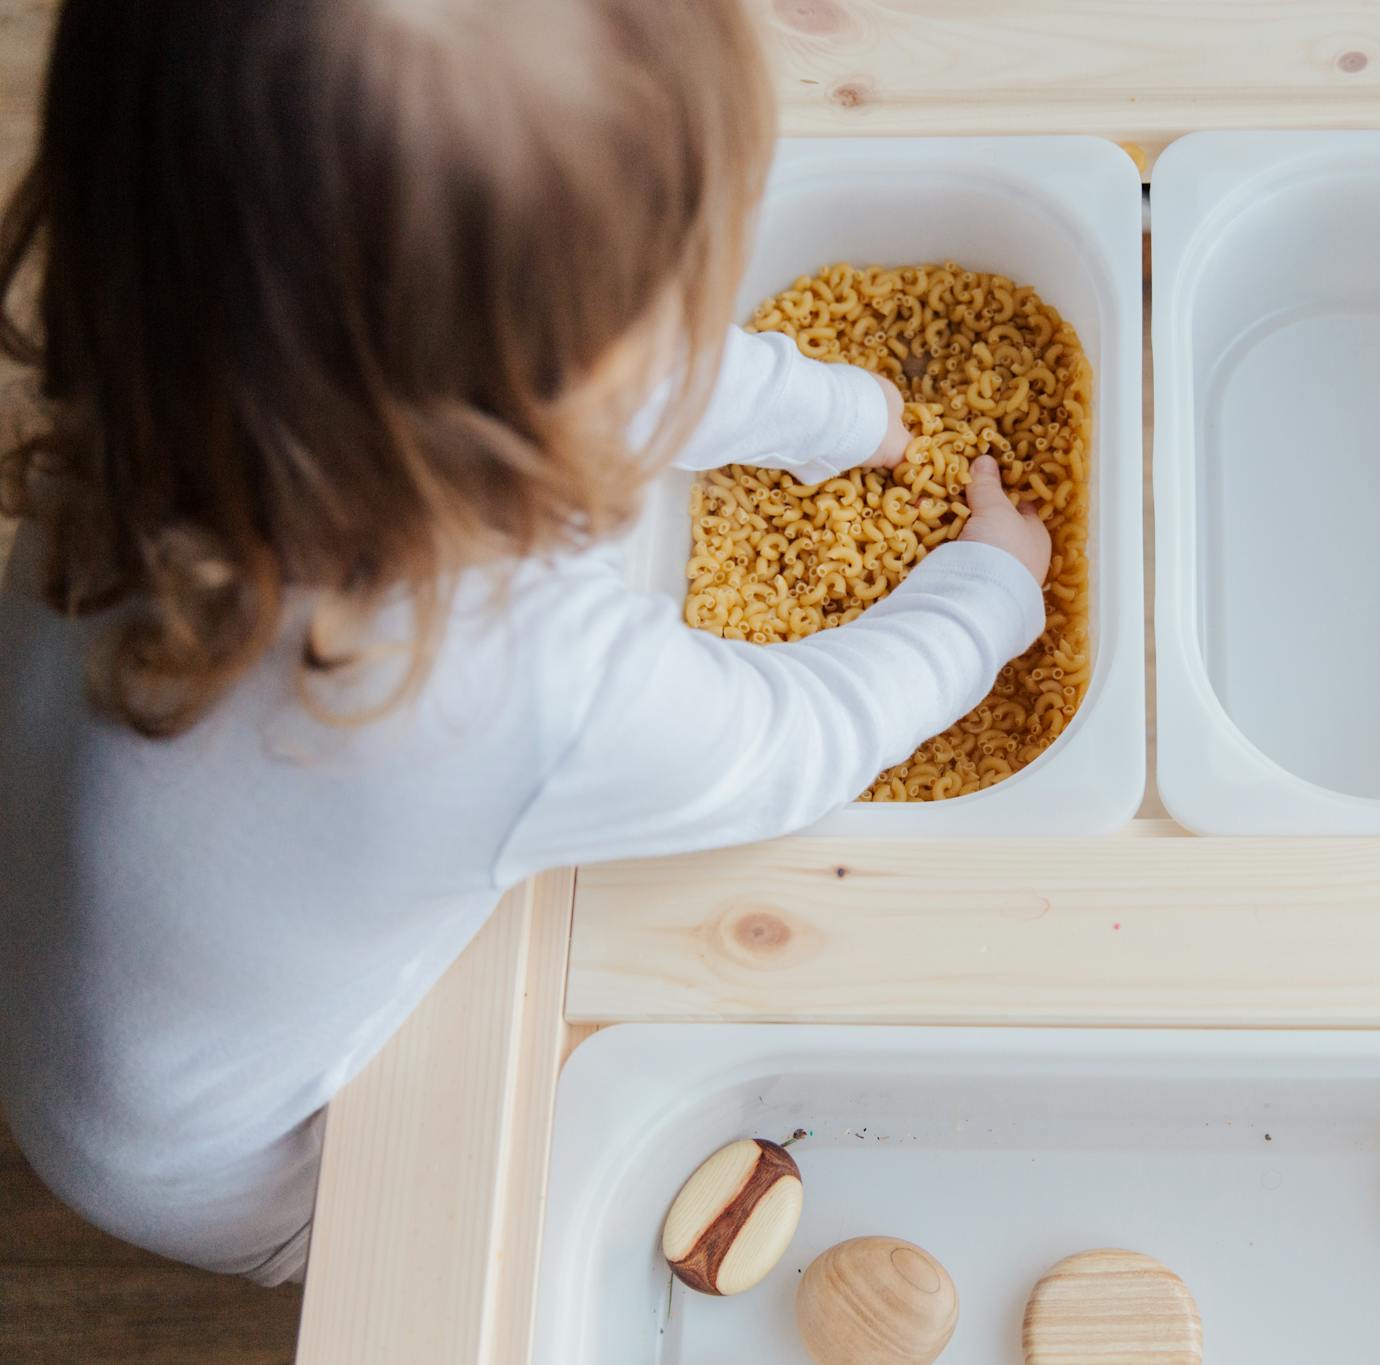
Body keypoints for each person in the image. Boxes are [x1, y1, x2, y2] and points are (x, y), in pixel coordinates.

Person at [0, 0, 1049, 1284]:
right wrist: (989, 591)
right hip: (247, 1158)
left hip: (87, 999)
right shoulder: (494, 680)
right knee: (558, 1185)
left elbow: (604, 369)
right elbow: (801, 736)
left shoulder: (187, 368)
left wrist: (841, 417)